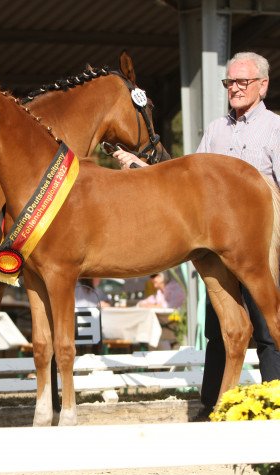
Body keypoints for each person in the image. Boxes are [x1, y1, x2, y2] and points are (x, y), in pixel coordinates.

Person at [114, 51, 280, 419]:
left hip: (258, 236)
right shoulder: (217, 128)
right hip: (217, 241)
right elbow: (190, 179)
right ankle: (214, 405)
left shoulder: (275, 129)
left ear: (263, 85)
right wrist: (143, 167)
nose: (234, 89)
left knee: (268, 327)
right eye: (229, 83)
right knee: (219, 328)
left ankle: (275, 402)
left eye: (242, 82)